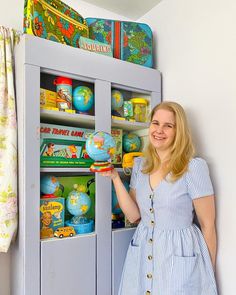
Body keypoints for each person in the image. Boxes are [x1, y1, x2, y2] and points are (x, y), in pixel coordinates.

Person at [101, 101, 218, 295]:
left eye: (168, 125)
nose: (159, 130)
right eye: (155, 123)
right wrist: (115, 177)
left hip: (179, 253)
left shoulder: (193, 168)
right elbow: (134, 216)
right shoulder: (141, 166)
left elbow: (208, 226)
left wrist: (208, 273)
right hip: (142, 253)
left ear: (178, 131)